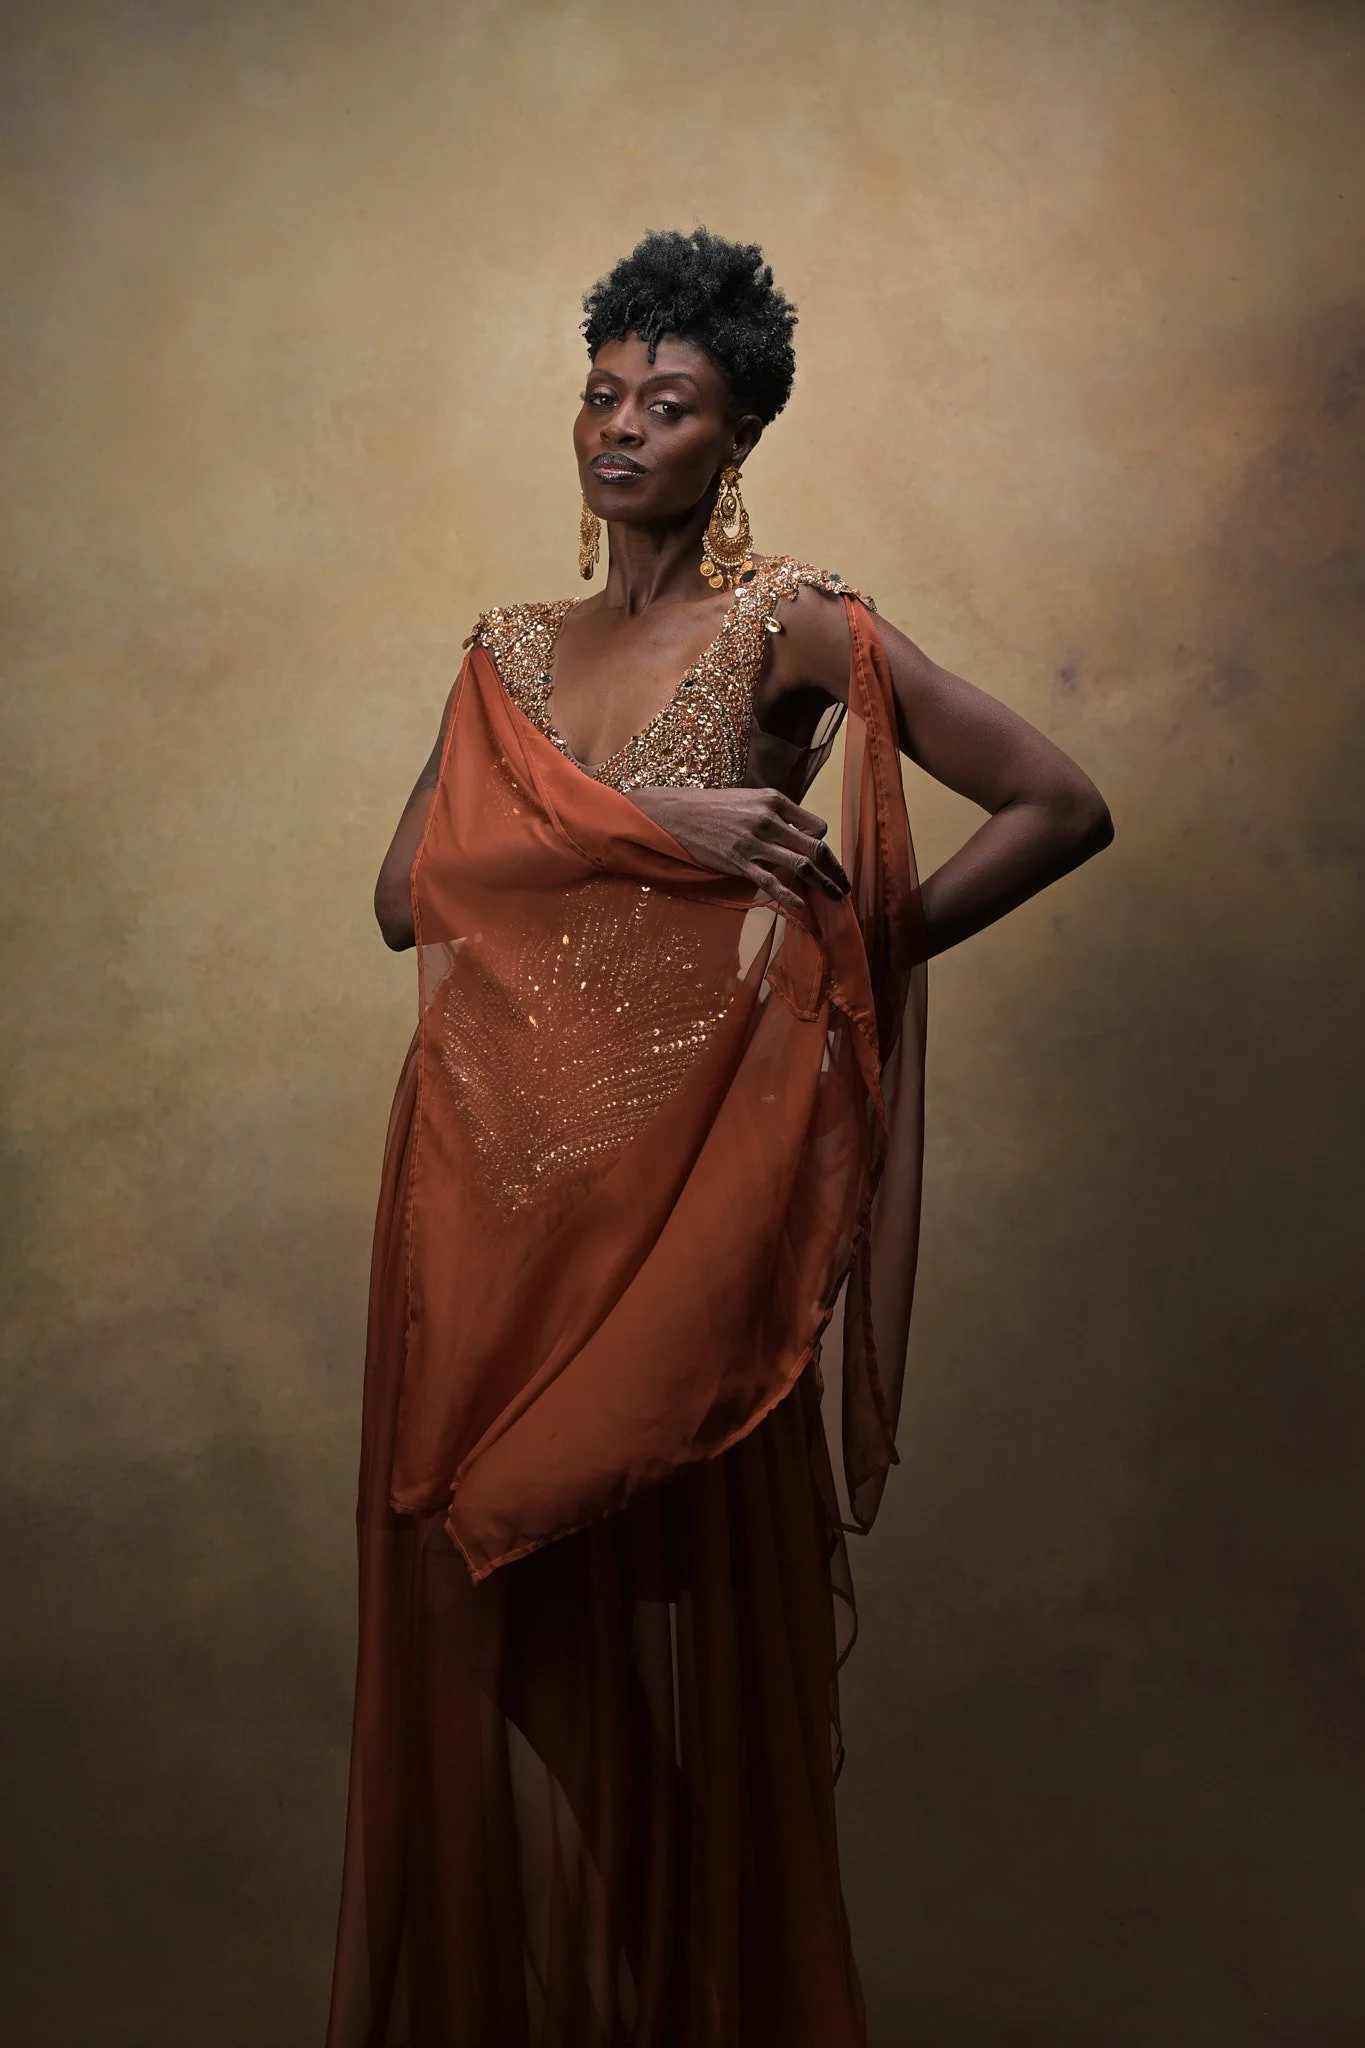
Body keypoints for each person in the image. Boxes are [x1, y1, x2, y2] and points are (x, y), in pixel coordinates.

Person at [325, 228, 1112, 2048]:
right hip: (481, 1186)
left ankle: (727, 1989)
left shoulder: (792, 625)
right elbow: (400, 897)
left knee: (594, 1571)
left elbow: (1057, 803)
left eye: (665, 404)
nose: (618, 427)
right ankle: (697, 1996)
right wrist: (651, 820)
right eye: (601, 392)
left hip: (680, 1192)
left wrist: (837, 971)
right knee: (474, 1605)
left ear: (733, 436)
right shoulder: (509, 650)